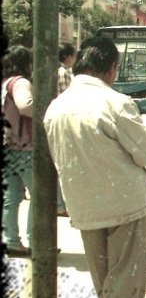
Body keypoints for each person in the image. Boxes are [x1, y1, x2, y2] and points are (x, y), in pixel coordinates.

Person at [44, 36, 146, 298]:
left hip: (85, 208)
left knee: (107, 285)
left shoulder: (55, 108)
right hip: (125, 206)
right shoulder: (116, 103)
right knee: (126, 286)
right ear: (111, 69)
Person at [2, 46, 34, 257]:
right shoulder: (21, 82)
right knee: (41, 197)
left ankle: (12, 241)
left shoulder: (5, 83)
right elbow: (26, 106)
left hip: (9, 146)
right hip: (25, 148)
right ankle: (37, 240)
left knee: (11, 197)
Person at [55, 42, 76, 217]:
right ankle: (61, 204)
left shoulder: (52, 71)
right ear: (68, 56)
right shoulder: (64, 74)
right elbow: (68, 99)